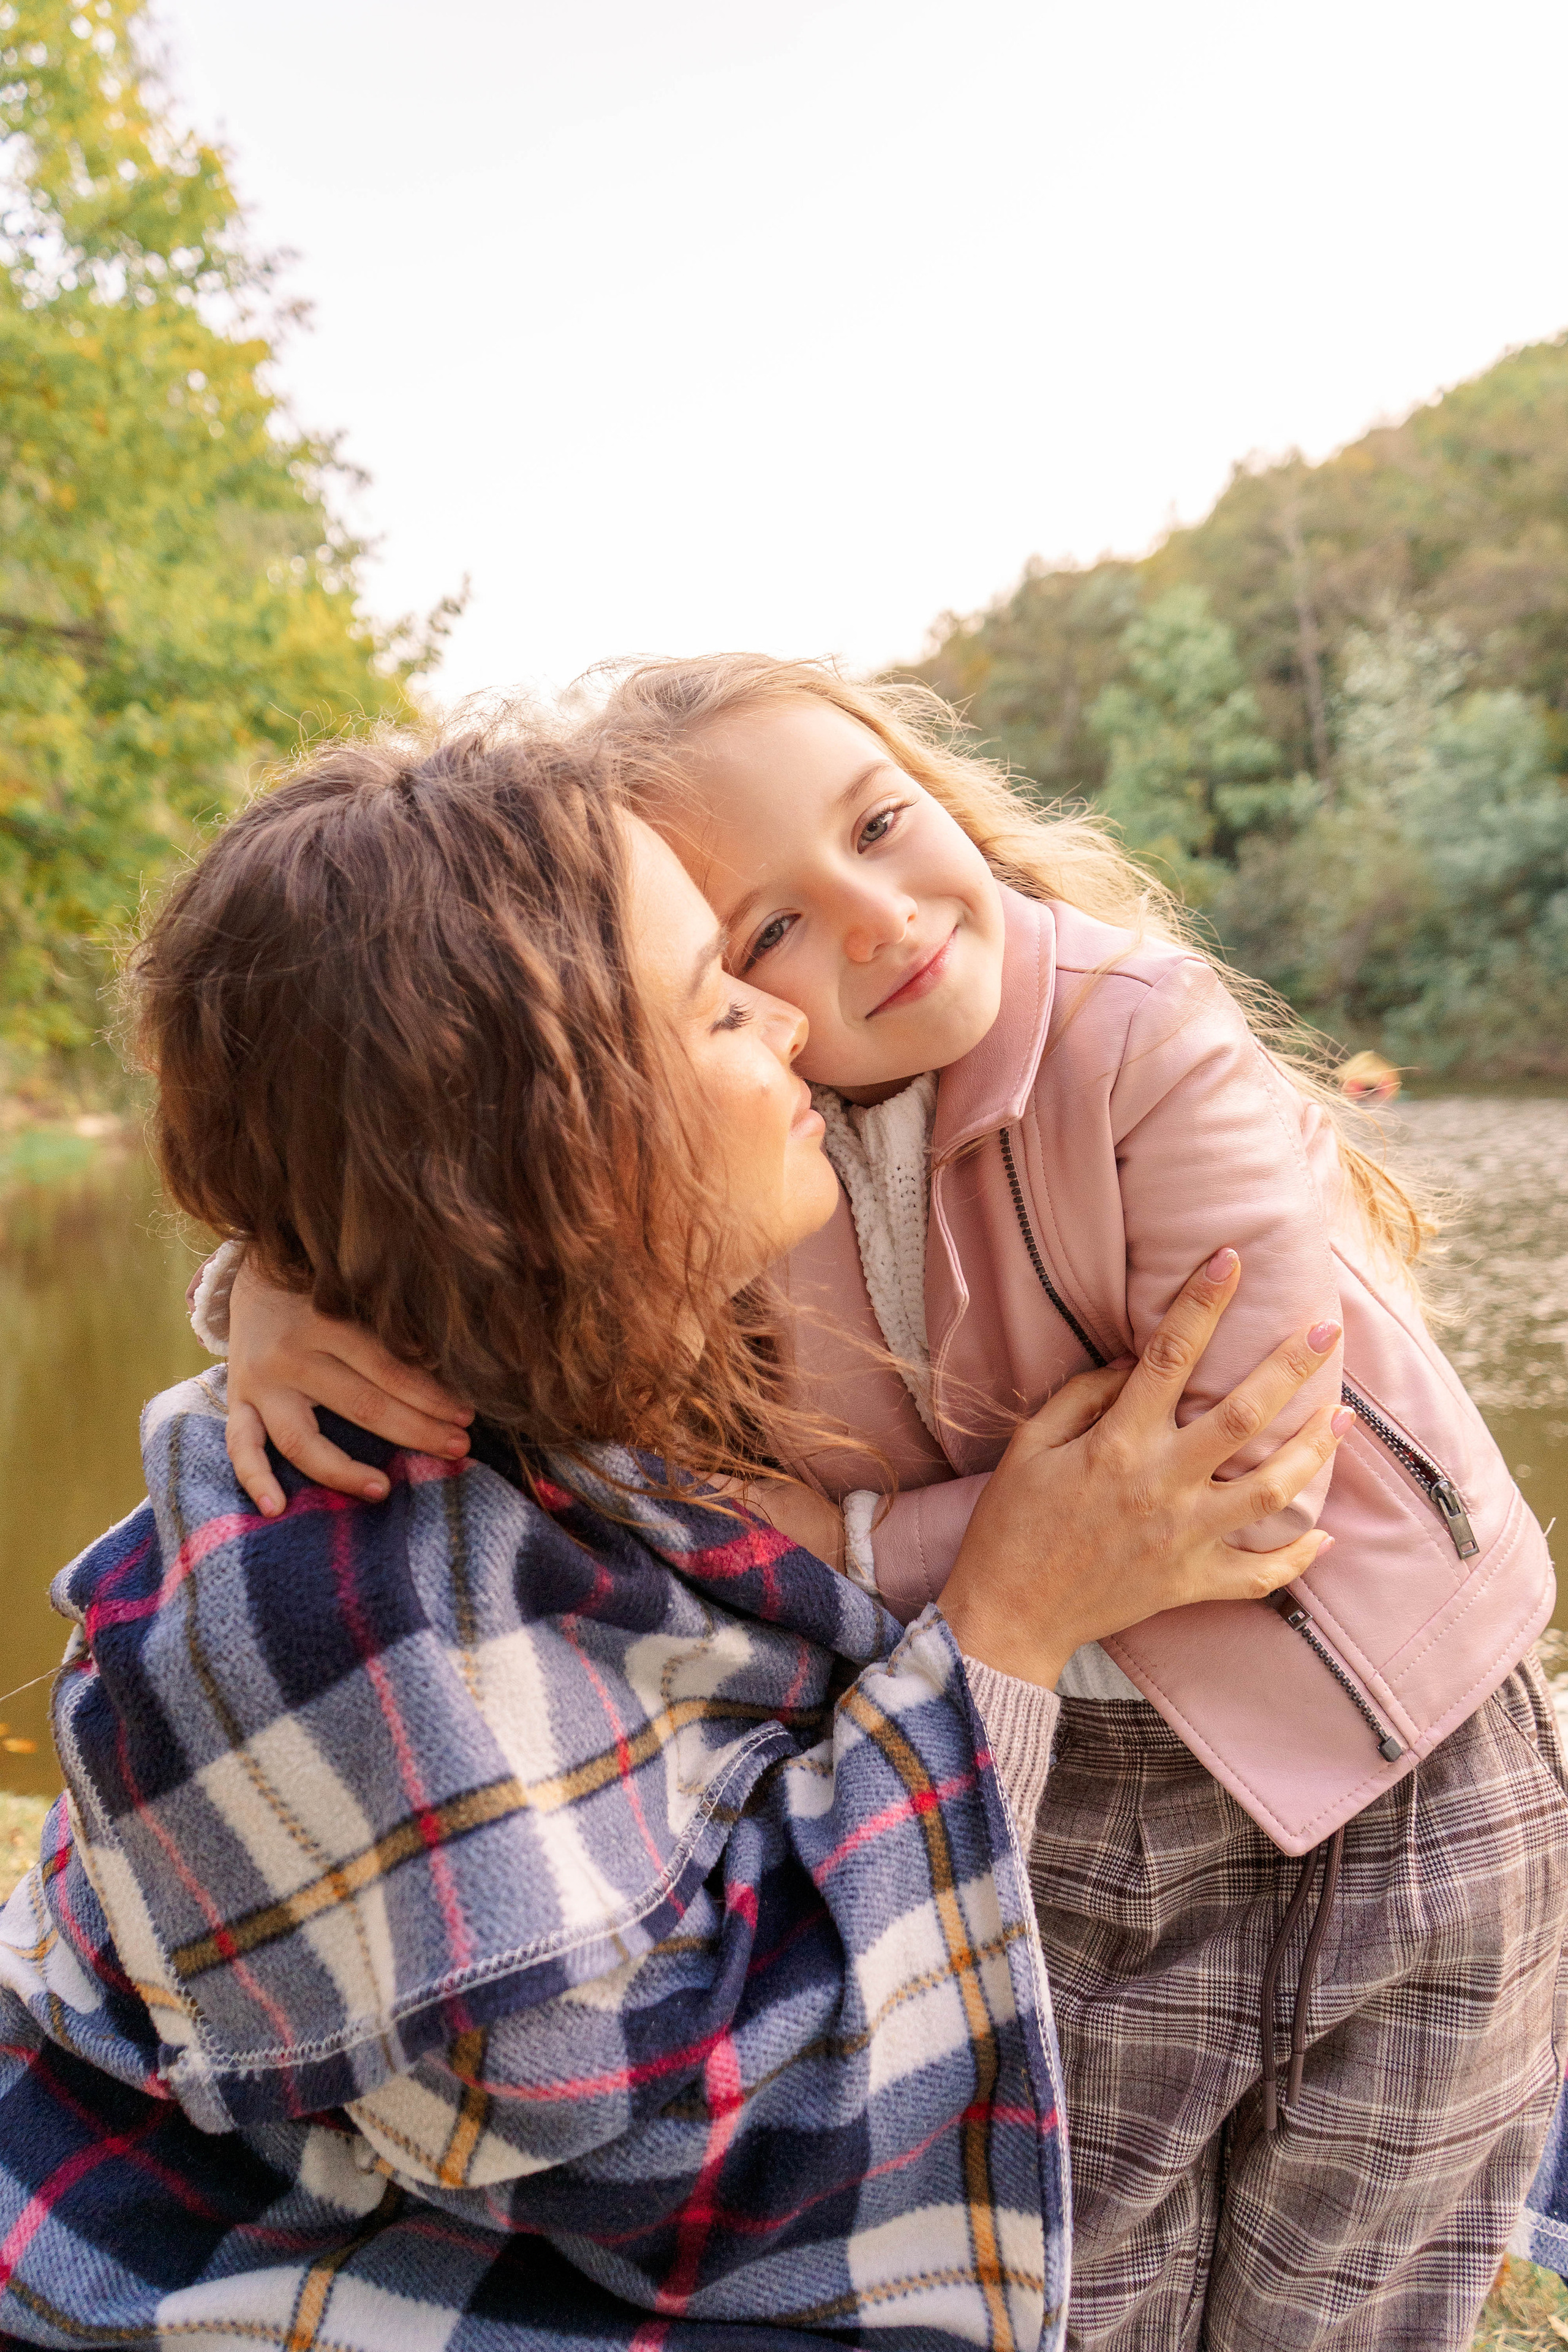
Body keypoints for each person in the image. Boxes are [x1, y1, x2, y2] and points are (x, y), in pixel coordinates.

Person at [227, 663, 1567, 2351]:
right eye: (766, 934)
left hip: (1399, 1750)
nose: (874, 919)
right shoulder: (718, 1153)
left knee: (1360, 2276)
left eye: (878, 824)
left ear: (941, 792)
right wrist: (271, 1286)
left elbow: (1235, 1456)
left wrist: (862, 1553)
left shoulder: (1131, 1030)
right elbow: (481, 1208)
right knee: (1082, 2271)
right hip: (1055, 1780)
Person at [0, 722, 1346, 2351]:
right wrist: (1007, 1628)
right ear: (549, 1149)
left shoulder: (566, 1335)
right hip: (216, 2269)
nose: (789, 1018)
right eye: (719, 1001)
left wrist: (269, 1274)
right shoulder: (336, 1594)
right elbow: (656, 2158)